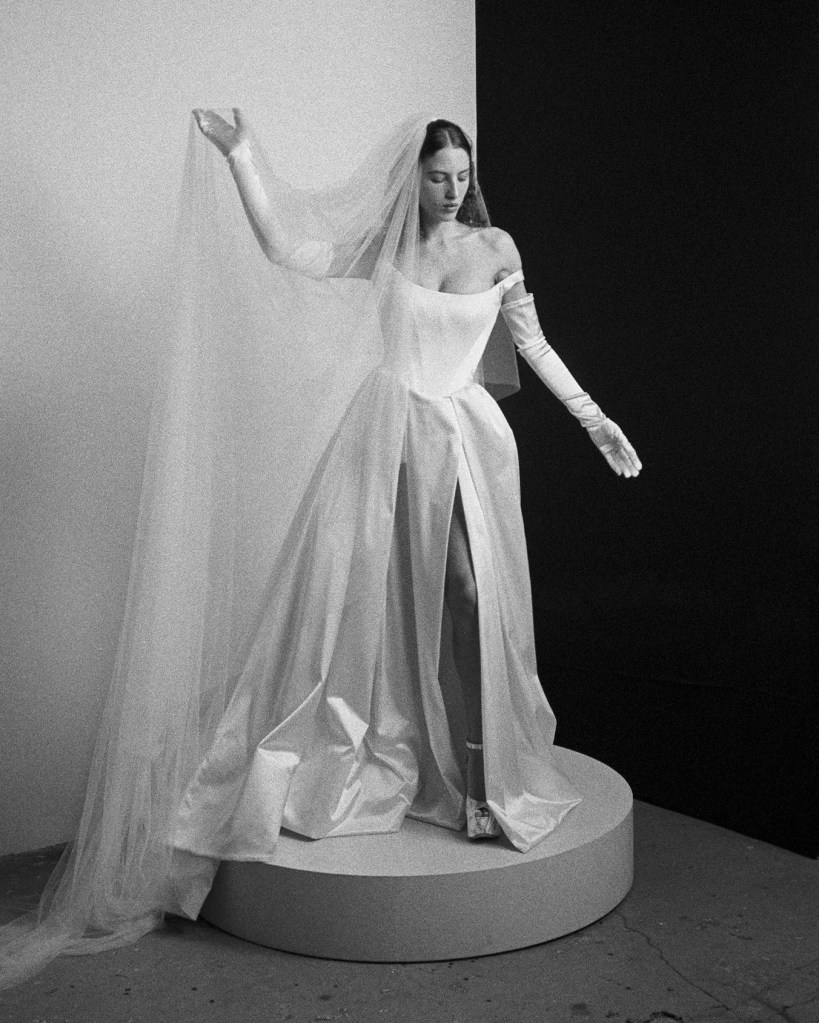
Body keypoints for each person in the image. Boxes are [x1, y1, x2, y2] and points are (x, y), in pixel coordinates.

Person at [0, 109, 640, 988]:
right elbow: (288, 251)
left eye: (462, 174)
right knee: (354, 600)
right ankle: (372, 751)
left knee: (468, 593)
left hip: (463, 440)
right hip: (385, 435)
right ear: (412, 177)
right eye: (438, 175)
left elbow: (530, 342)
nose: (451, 189)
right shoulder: (387, 248)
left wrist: (595, 419)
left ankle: (481, 781)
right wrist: (242, 156)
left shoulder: (495, 248)